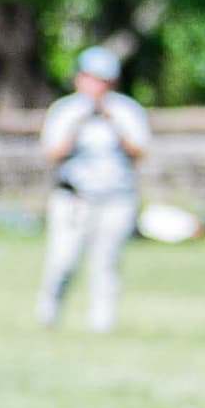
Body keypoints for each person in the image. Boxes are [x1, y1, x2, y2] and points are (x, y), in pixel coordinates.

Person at [36, 47, 150, 333]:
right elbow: (52, 152)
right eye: (92, 78)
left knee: (107, 263)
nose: (98, 86)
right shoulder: (66, 110)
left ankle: (102, 325)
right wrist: (80, 123)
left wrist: (112, 122)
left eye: (104, 80)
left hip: (116, 199)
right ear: (80, 79)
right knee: (63, 261)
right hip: (75, 198)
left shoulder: (125, 110)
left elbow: (139, 150)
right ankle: (49, 316)